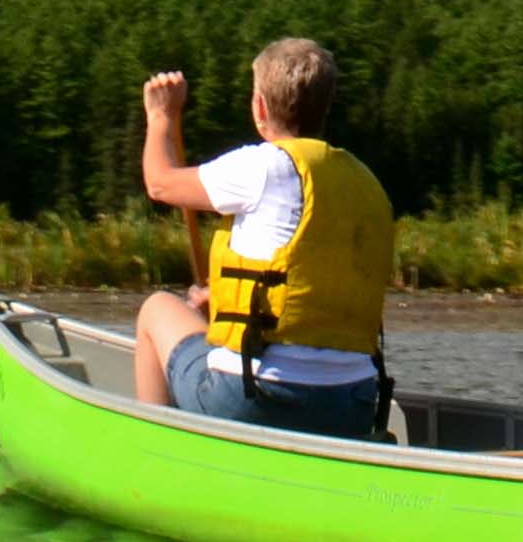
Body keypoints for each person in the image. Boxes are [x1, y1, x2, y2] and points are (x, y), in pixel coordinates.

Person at [129, 38, 396, 440]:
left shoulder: (263, 166)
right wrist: (221, 305)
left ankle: (155, 452)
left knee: (156, 309)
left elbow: (160, 184)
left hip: (257, 398)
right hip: (352, 407)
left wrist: (161, 115)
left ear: (259, 107)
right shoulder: (366, 182)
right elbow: (307, 293)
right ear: (325, 108)